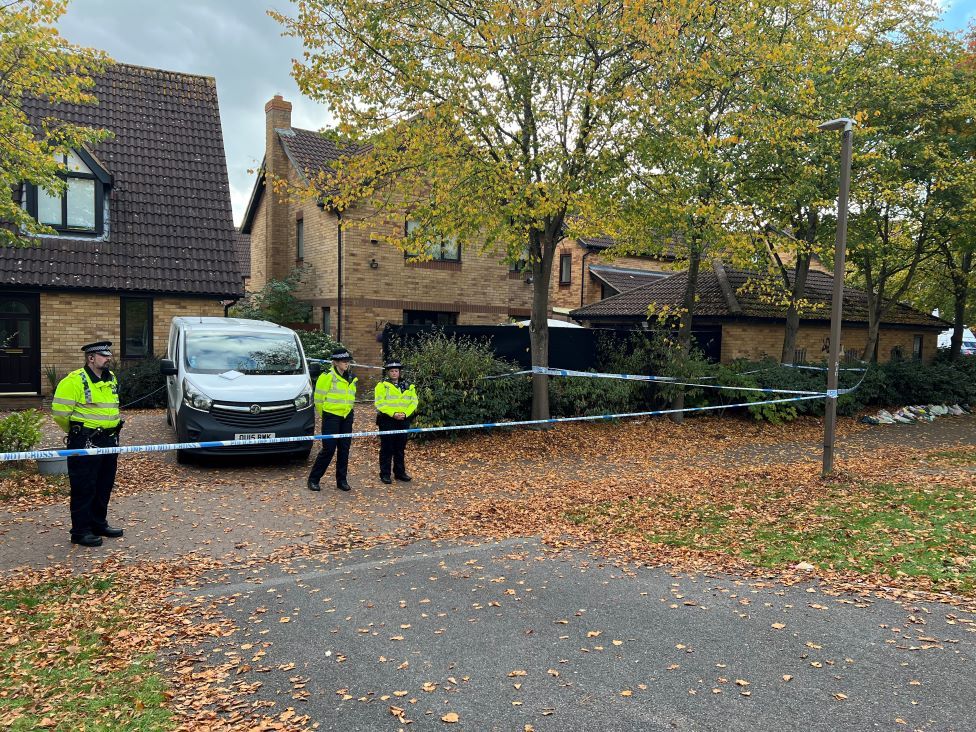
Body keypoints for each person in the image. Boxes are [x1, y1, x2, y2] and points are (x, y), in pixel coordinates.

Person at [51, 341, 124, 547]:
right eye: (103, 355)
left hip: (109, 439)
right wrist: (77, 433)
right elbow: (59, 414)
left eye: (108, 354)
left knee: (104, 484)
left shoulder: (111, 379)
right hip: (85, 439)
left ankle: (98, 524)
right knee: (84, 485)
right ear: (90, 358)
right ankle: (80, 531)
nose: (108, 358)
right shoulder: (74, 381)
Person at [308, 348, 357, 492]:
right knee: (328, 449)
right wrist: (326, 416)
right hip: (331, 416)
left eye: (348, 360)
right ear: (335, 362)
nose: (346, 363)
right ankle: (313, 479)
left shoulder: (351, 377)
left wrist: (348, 412)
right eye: (343, 361)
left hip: (346, 416)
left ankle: (341, 480)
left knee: (344, 450)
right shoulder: (327, 376)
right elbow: (318, 399)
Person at [373, 360, 418, 484]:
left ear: (399, 372)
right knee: (387, 448)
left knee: (400, 448)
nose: (394, 373)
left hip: (403, 420)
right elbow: (379, 403)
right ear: (388, 372)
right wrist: (393, 414)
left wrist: (405, 414)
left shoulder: (409, 386)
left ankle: (400, 473)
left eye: (396, 371)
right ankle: (385, 474)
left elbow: (414, 402)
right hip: (387, 420)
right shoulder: (381, 385)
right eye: (392, 371)